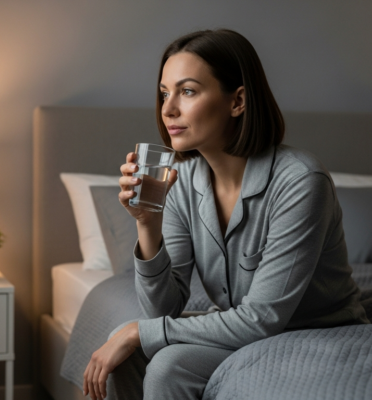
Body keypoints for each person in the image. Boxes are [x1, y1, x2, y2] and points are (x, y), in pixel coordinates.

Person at [82, 29, 370, 400]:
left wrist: (139, 330)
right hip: (249, 331)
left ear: (237, 101)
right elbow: (163, 310)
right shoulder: (182, 181)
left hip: (314, 331)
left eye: (187, 91)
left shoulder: (301, 181)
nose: (168, 109)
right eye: (164, 94)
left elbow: (263, 318)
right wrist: (147, 223)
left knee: (161, 358)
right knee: (126, 348)